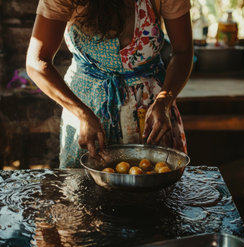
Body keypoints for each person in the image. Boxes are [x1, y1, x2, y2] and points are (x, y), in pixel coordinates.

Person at [26, 0, 193, 168]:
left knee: (153, 180)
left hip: (150, 112)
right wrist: (82, 113)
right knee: (83, 187)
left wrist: (164, 102)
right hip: (84, 105)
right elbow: (37, 62)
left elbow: (183, 51)